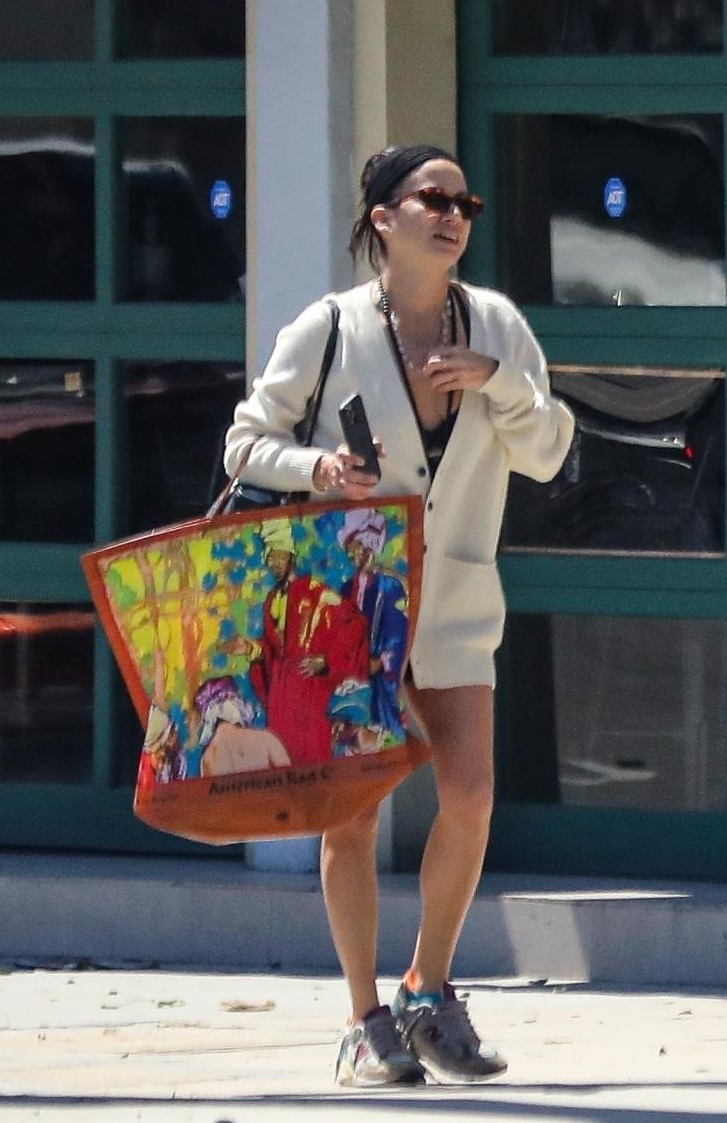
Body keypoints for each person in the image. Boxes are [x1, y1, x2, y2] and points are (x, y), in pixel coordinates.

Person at [225, 143, 575, 1088]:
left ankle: (429, 987)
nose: (454, 216)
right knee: (353, 818)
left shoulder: (496, 325)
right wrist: (318, 469)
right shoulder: (330, 329)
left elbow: (550, 449)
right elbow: (244, 444)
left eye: (466, 203)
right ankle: (363, 1019)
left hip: (454, 597)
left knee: (470, 794)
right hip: (350, 608)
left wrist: (497, 380)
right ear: (383, 218)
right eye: (434, 199)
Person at [244, 519, 367, 766]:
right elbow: (271, 650)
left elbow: (355, 622)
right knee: (281, 760)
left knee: (313, 758)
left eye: (279, 556)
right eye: (270, 558)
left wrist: (327, 660)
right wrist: (252, 650)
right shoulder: (271, 600)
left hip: (309, 694)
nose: (274, 564)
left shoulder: (315, 590)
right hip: (282, 698)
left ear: (292, 556)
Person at [338, 509, 410, 739]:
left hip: (378, 675)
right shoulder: (346, 589)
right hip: (351, 673)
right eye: (351, 550)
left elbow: (397, 633)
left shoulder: (390, 585)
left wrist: (381, 662)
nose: (355, 555)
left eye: (358, 548)